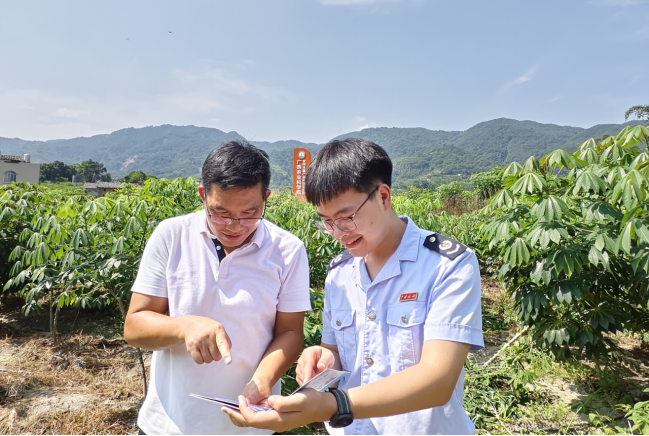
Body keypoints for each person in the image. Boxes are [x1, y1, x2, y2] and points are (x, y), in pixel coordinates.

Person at [223, 138, 484, 434]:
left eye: (346, 218)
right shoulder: (339, 273)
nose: (337, 233)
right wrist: (322, 357)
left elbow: (438, 381)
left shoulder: (447, 265)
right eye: (326, 222)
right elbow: (334, 354)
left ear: (383, 197)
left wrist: (334, 405)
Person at [124, 140, 311, 435]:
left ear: (267, 198)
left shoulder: (288, 250)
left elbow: (289, 331)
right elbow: (134, 326)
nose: (234, 225)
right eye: (220, 212)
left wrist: (264, 378)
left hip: (249, 425)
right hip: (170, 423)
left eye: (250, 213)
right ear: (202, 195)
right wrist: (185, 326)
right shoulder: (171, 236)